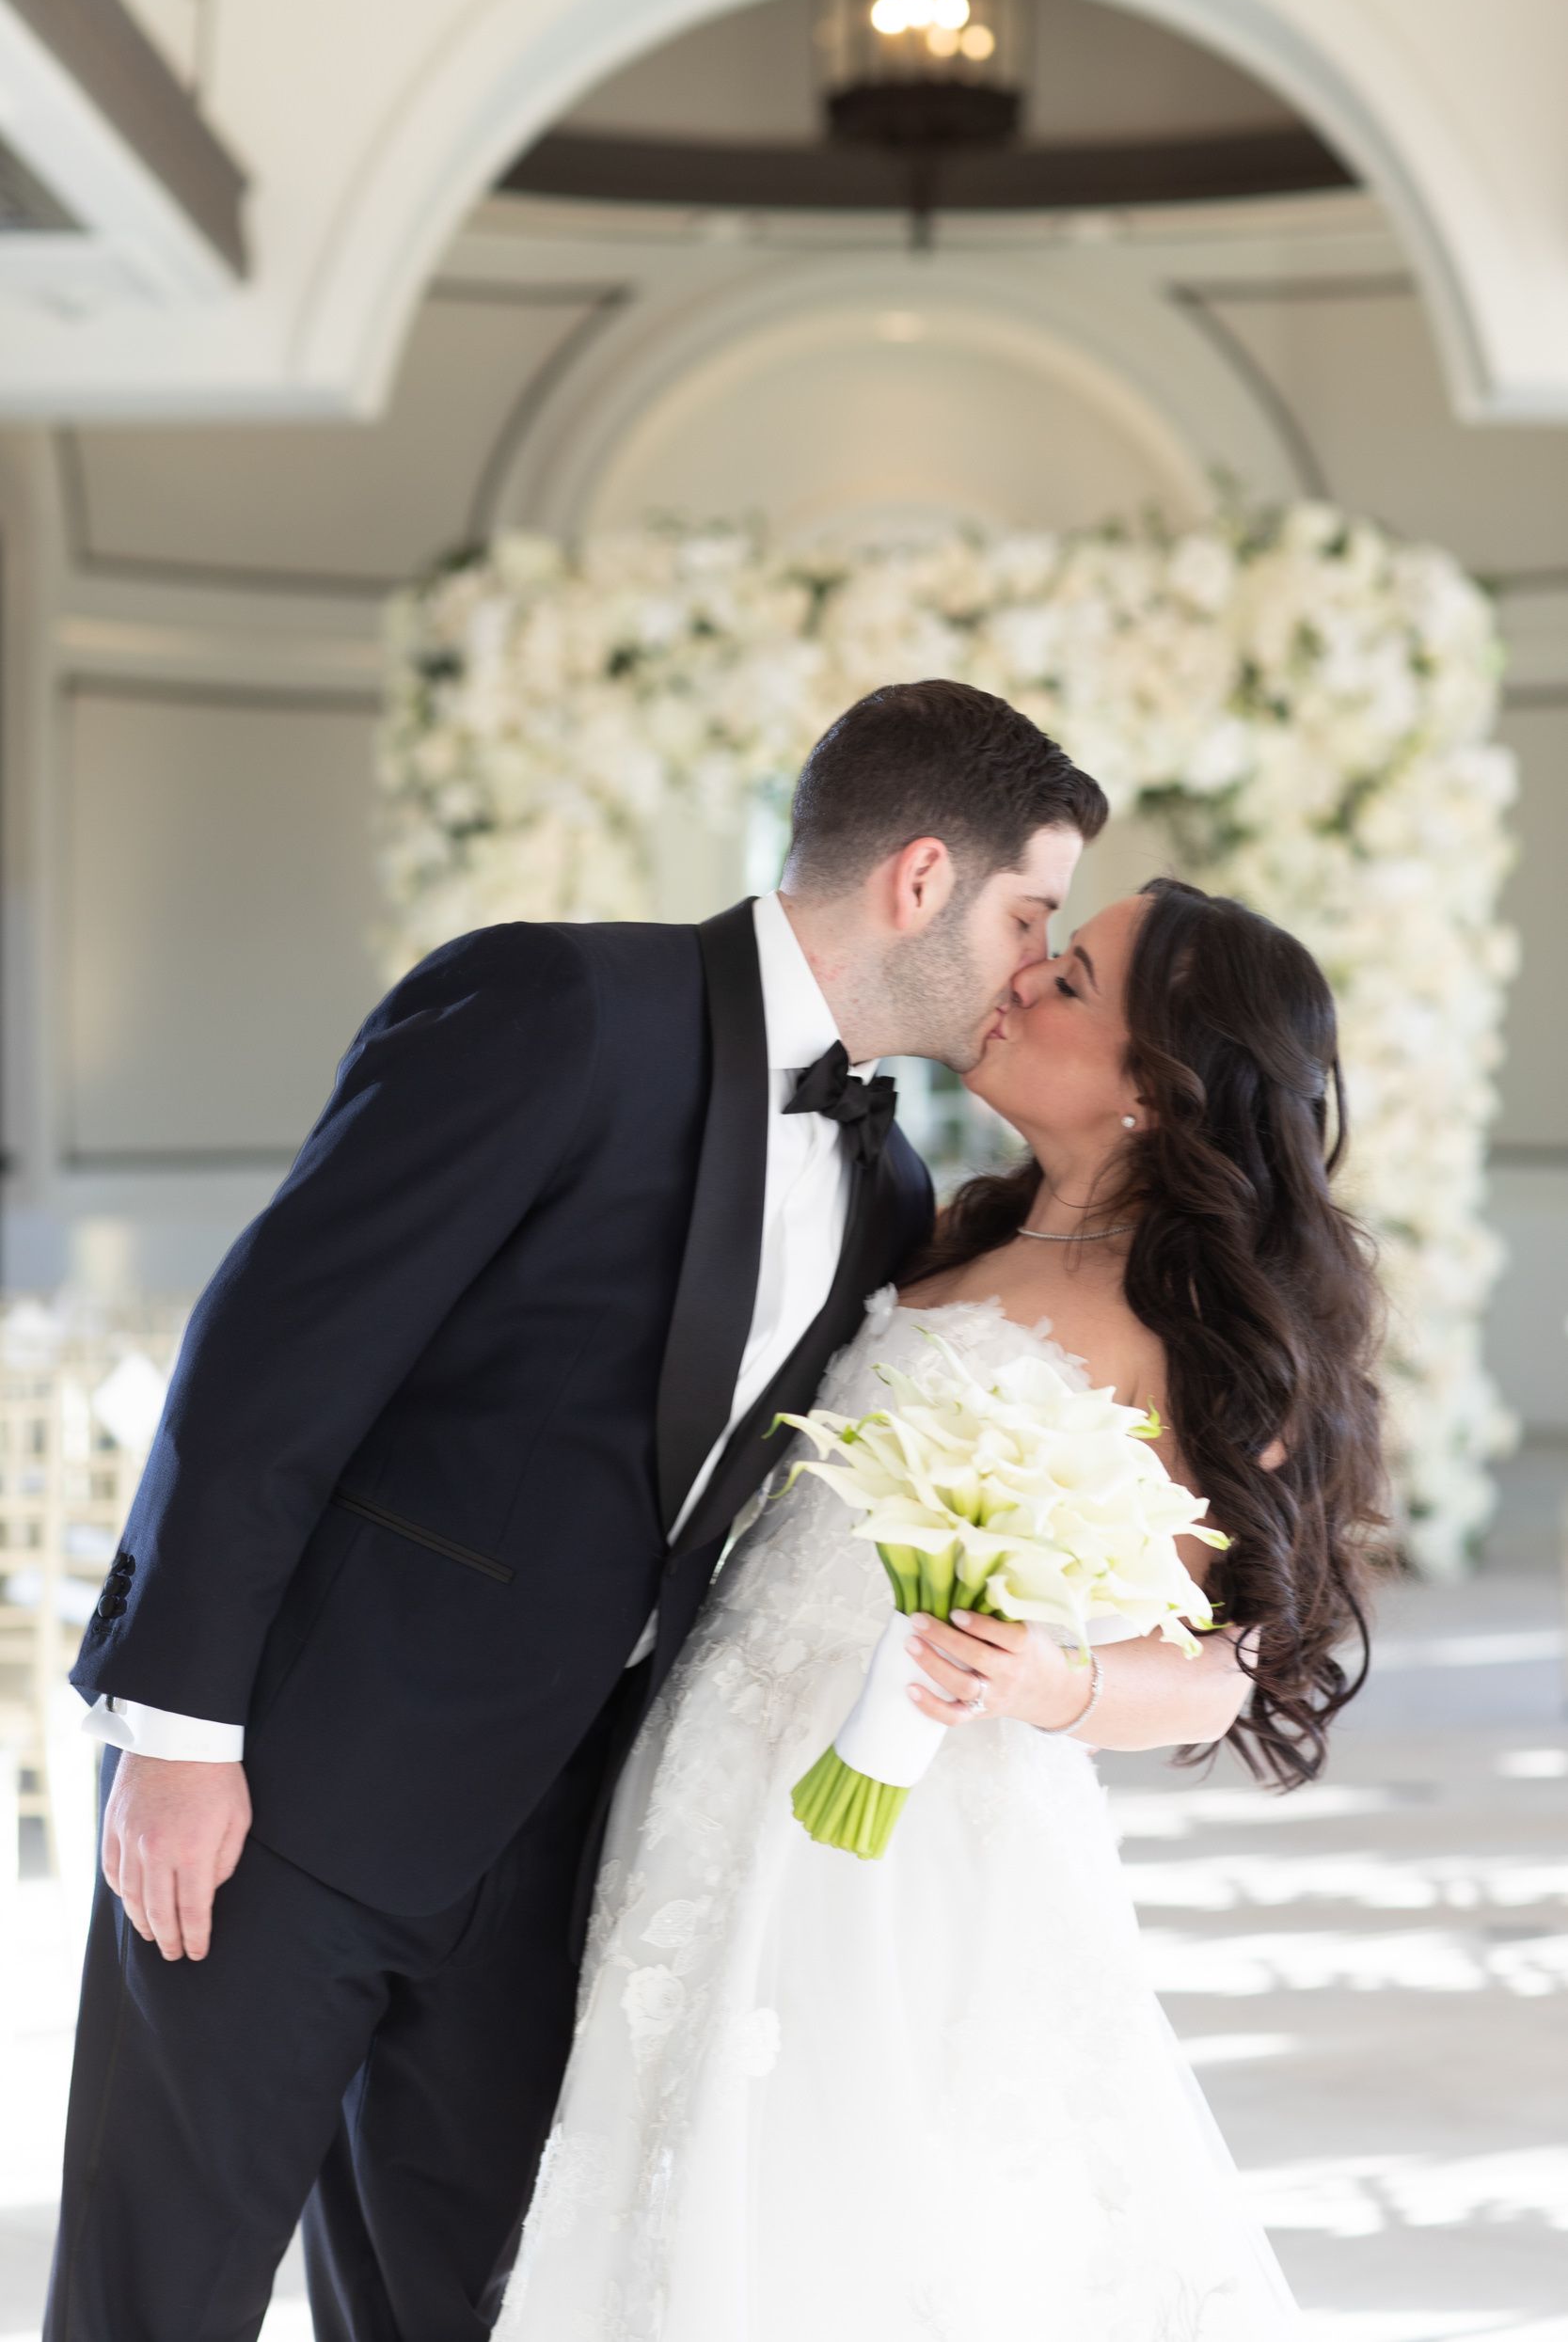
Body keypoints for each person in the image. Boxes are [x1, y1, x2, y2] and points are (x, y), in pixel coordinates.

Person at [44, 679, 1107, 2342]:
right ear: (920, 881)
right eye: (1029, 912)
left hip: (553, 1852)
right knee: (155, 2296)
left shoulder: (889, 1190)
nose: (1035, 963)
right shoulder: (553, 1003)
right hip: (285, 1801)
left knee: (461, 2310)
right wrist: (178, 1736)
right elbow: (271, 1356)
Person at [499, 876, 1387, 2341]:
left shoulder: (1196, 1329)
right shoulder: (936, 1231)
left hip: (917, 1844)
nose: (1024, 978)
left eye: (1075, 980)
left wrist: (1051, 1684)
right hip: (720, 1777)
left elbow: (1225, 1667)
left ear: (1159, 1090)